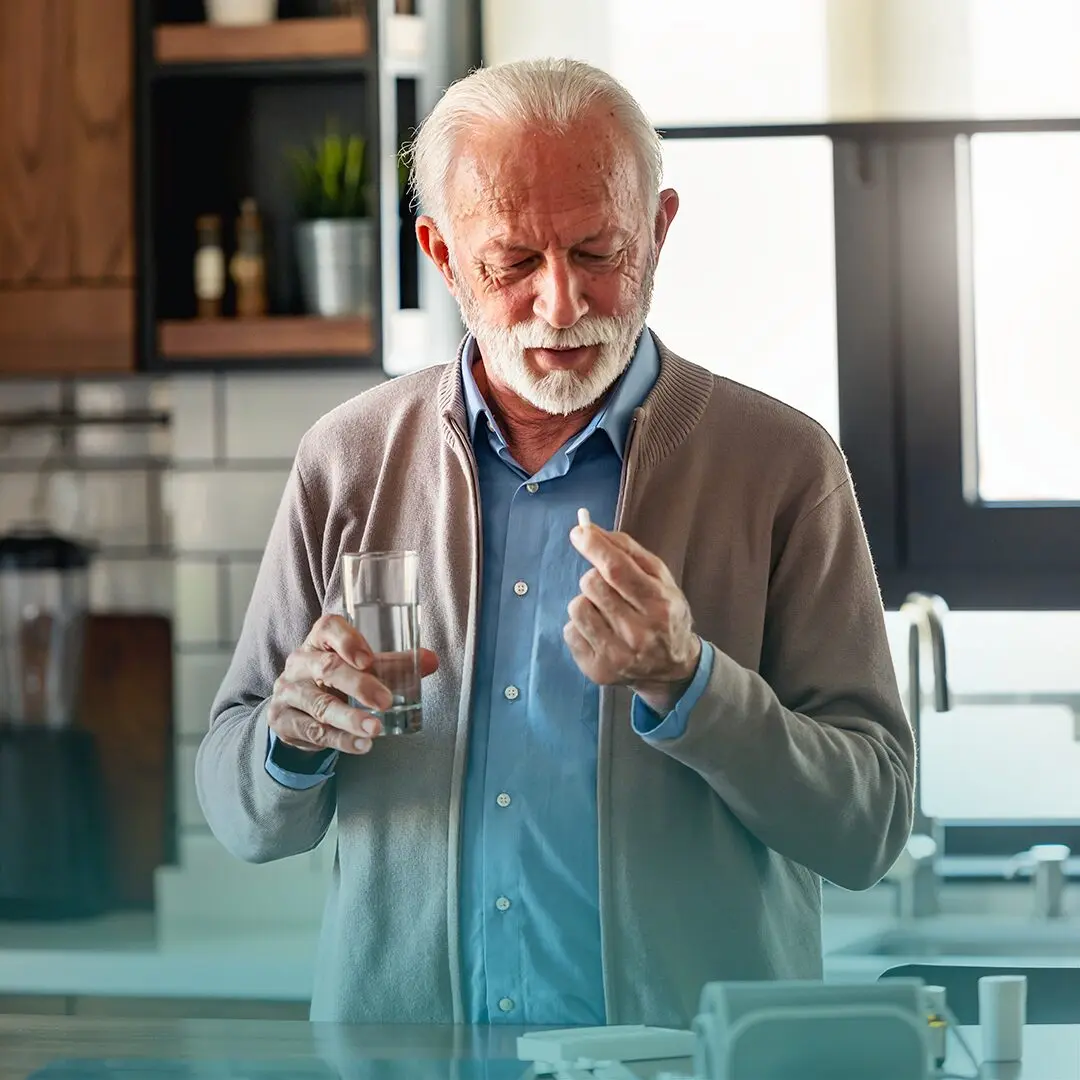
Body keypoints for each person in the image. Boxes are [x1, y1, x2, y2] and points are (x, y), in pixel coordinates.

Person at [196, 57, 914, 1027]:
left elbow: (870, 828)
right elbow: (239, 811)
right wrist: (290, 735)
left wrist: (692, 684)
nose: (563, 304)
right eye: (514, 263)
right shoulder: (347, 459)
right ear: (442, 256)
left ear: (658, 230)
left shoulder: (785, 466)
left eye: (597, 251)